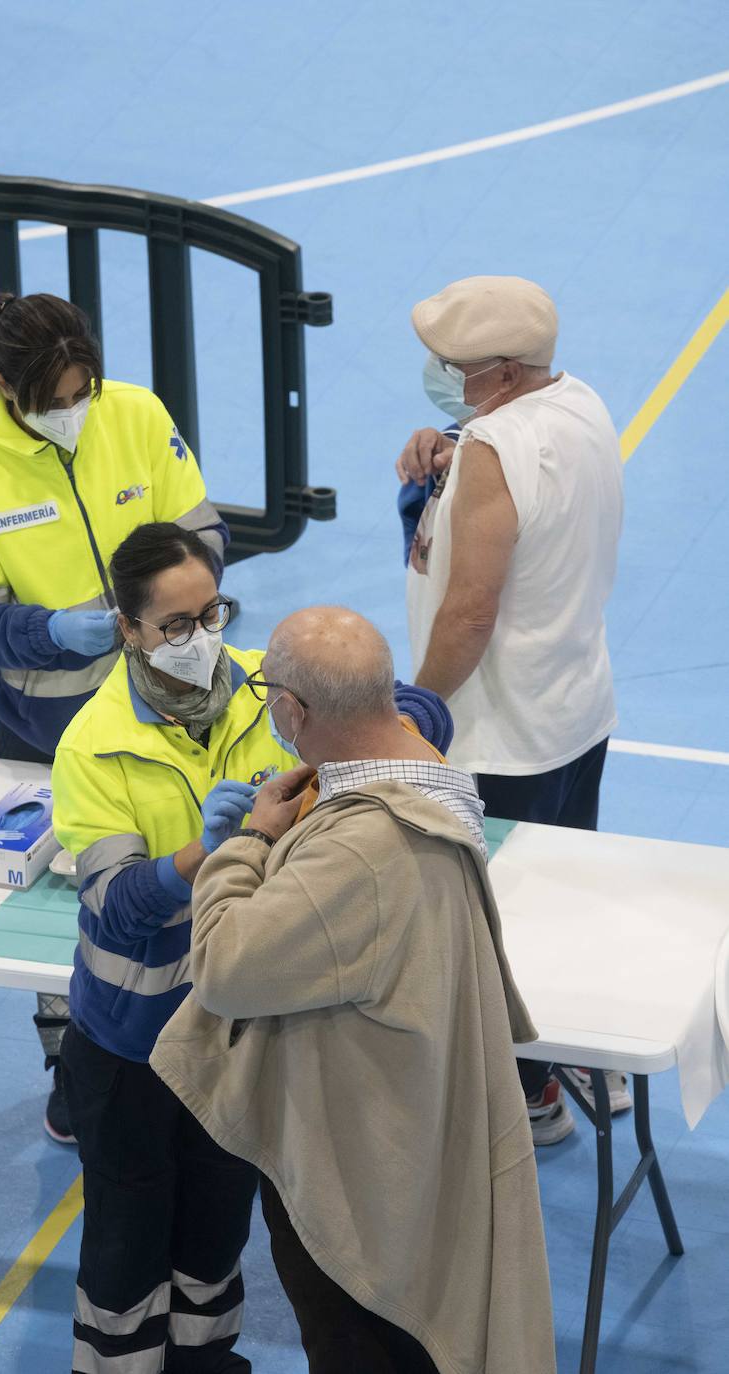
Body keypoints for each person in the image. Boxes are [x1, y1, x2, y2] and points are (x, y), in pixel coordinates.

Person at [151, 607, 556, 1374]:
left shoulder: (364, 851)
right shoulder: (428, 773)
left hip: (361, 1184)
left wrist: (249, 845)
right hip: (414, 1129)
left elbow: (226, 969)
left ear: (290, 711)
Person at [0, 291, 228, 1143]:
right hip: (42, 731)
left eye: (81, 389)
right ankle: (73, 1069)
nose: (73, 410)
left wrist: (164, 607)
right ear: (0, 385)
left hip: (166, 711)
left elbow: (201, 529)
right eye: (53, 400)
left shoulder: (135, 417)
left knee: (166, 883)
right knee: (64, 918)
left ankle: (199, 1052)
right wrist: (57, 635)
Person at [399, 274, 625, 1144]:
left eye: (451, 364)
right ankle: (586, 1060)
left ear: (499, 369)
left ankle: (526, 1094)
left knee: (493, 926)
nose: (438, 372)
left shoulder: (494, 450)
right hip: (574, 709)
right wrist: (451, 448)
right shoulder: (579, 402)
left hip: (496, 733)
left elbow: (469, 610)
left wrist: (419, 709)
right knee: (565, 903)